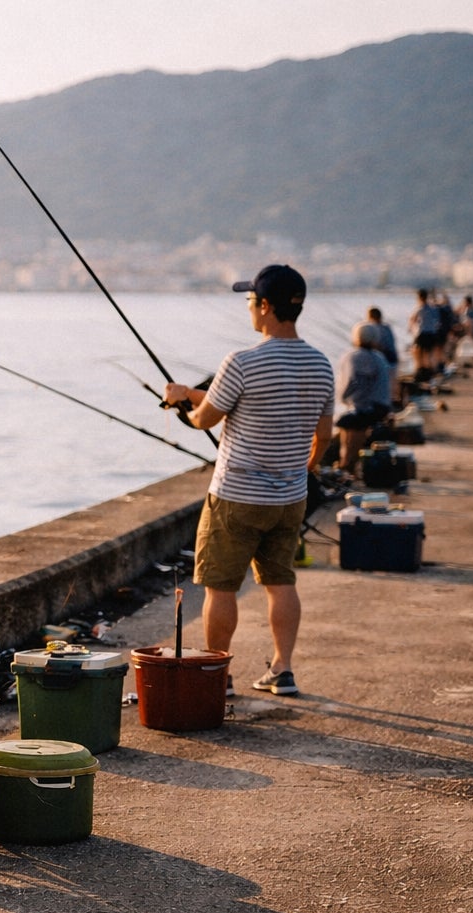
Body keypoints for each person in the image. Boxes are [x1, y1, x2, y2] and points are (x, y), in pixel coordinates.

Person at [162, 265, 333, 697]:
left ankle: (218, 677)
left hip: (235, 497)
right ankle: (283, 669)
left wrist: (183, 402)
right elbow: (325, 435)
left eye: (250, 301)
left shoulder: (241, 362)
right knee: (281, 582)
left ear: (266, 306)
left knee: (220, 587)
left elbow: (206, 418)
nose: (249, 308)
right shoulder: (321, 364)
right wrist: (305, 468)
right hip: (290, 497)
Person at [334, 322, 394, 476]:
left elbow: (352, 385)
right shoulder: (379, 357)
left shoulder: (352, 356)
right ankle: (347, 461)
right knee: (349, 421)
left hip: (369, 406)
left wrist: (345, 400)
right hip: (381, 405)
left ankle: (347, 462)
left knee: (352, 423)